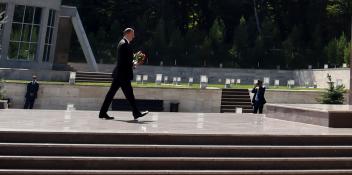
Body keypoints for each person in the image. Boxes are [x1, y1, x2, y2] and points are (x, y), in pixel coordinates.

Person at [99, 28, 149, 120]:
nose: (134, 36)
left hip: (120, 74)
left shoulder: (124, 43)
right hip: (123, 75)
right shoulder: (124, 44)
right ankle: (136, 113)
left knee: (112, 94)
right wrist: (134, 64)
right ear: (128, 33)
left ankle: (102, 113)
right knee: (129, 94)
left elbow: (126, 59)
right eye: (133, 34)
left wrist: (133, 61)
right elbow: (123, 61)